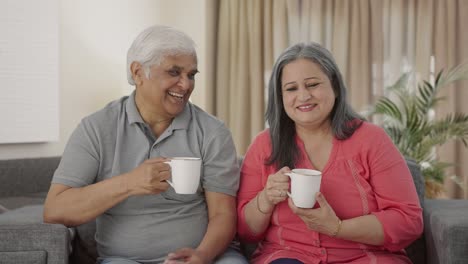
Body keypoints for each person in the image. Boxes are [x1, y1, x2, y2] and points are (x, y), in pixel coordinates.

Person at [43, 25, 248, 264]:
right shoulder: (96, 128)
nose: (186, 85)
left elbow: (223, 214)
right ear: (138, 72)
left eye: (191, 75)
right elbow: (55, 210)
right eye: (174, 72)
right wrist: (130, 182)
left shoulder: (213, 131)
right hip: (126, 259)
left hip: (209, 256)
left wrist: (201, 256)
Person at [236, 42, 423, 264]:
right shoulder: (264, 145)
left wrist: (338, 228)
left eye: (313, 84)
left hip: (365, 256)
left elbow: (408, 221)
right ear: (280, 96)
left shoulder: (372, 140)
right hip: (288, 255)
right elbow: (246, 232)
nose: (303, 96)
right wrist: (265, 199)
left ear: (334, 86)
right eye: (291, 88)